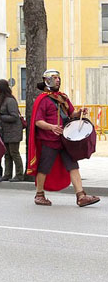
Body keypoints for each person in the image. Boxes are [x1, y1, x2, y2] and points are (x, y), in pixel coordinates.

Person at [27, 69, 100, 207]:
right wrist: (51, 127)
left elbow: (71, 114)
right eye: (54, 78)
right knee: (44, 168)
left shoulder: (63, 97)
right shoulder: (42, 100)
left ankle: (81, 196)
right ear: (47, 80)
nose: (58, 80)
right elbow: (38, 121)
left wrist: (80, 112)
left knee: (73, 166)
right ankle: (39, 195)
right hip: (49, 140)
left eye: (58, 78)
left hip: (65, 140)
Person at [0, 79, 24, 182]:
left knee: (14, 153)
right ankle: (7, 174)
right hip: (5, 132)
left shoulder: (10, 101)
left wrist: (0, 117)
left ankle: (19, 175)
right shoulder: (1, 100)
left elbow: (14, 117)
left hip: (13, 131)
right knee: (7, 154)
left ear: (0, 88)